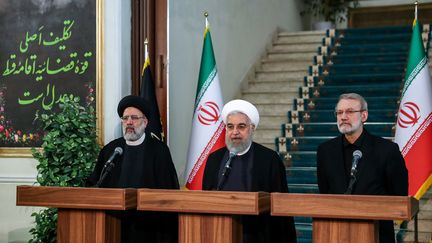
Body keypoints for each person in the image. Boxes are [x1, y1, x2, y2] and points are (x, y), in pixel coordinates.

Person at [316, 93, 408, 243]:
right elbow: (325, 192)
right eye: (339, 112)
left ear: (364, 116)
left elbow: (398, 194)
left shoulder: (387, 150)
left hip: (377, 233)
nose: (343, 117)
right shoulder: (324, 151)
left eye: (350, 111)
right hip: (335, 233)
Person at [86, 95, 179, 243]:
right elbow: (96, 183)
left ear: (145, 122)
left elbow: (168, 192)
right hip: (114, 225)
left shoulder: (159, 151)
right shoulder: (111, 150)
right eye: (125, 118)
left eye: (134, 118)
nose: (129, 122)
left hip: (148, 228)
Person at [202, 99, 297, 243]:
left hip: (257, 234)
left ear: (252, 128)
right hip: (219, 233)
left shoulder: (269, 159)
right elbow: (206, 199)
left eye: (241, 127)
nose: (235, 132)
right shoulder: (214, 159)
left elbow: (281, 206)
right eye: (230, 126)